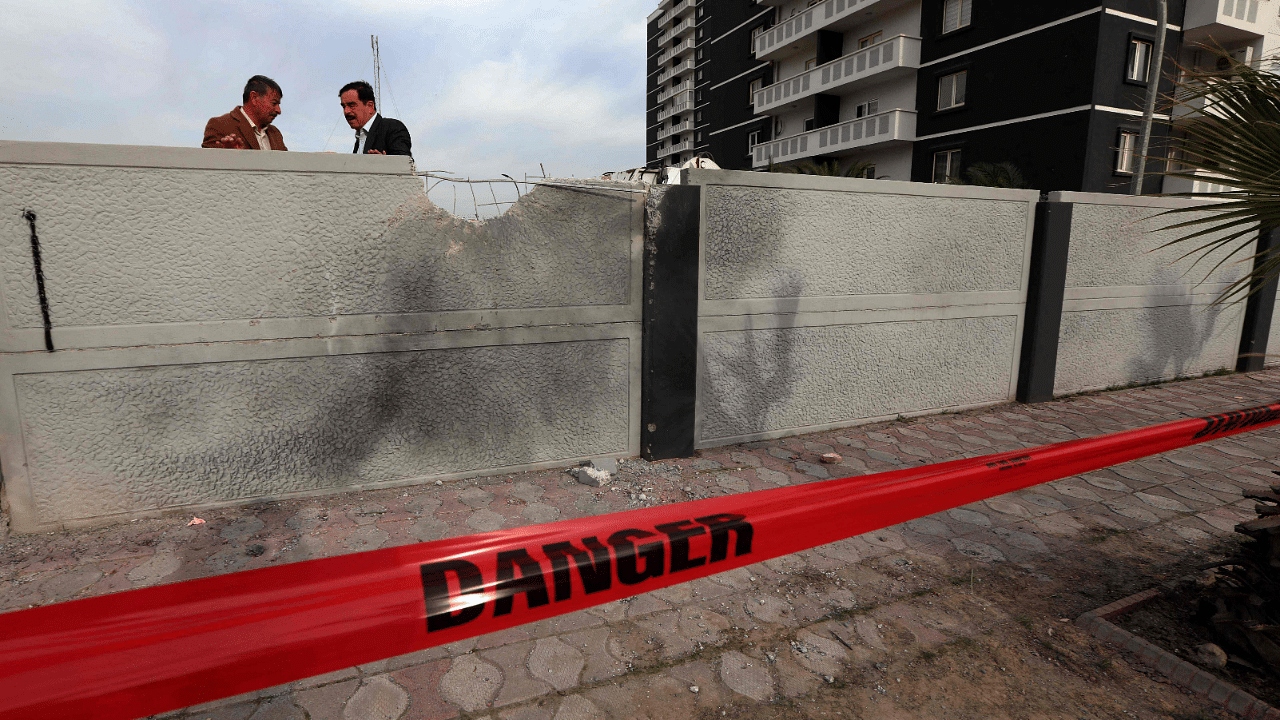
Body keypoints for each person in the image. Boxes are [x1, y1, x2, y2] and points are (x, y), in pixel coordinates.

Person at [202, 76, 287, 150]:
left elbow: (287, 166)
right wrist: (227, 155)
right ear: (254, 98)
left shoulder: (275, 133)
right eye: (274, 103)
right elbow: (206, 163)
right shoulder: (219, 125)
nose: (278, 110)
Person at [339, 80, 412, 157]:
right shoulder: (359, 138)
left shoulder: (392, 127)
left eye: (352, 105)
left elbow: (405, 163)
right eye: (344, 106)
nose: (346, 111)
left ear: (370, 106)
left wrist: (383, 163)